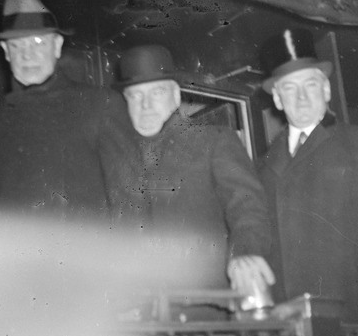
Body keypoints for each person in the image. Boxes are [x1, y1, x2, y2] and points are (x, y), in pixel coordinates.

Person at [257, 29, 358, 323]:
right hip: (293, 327)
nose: (302, 96)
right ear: (278, 100)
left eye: (310, 84)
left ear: (326, 91)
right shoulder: (263, 166)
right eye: (290, 88)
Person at [105, 44, 274, 300]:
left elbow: (248, 207)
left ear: (175, 96)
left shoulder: (214, 141)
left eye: (157, 93)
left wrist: (245, 254)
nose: (146, 105)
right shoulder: (117, 161)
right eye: (136, 96)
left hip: (205, 307)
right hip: (139, 313)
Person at [0, 0, 129, 217]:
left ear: (57, 45)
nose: (28, 55)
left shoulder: (100, 106)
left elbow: (131, 203)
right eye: (17, 46)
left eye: (38, 42)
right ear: (6, 52)